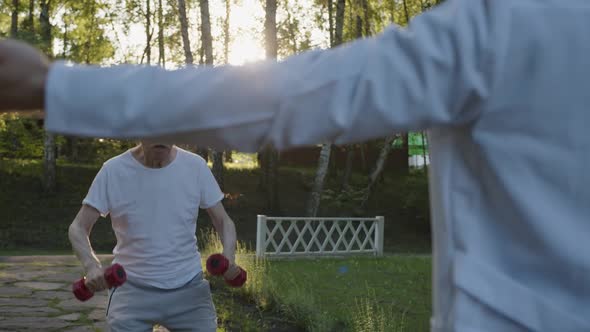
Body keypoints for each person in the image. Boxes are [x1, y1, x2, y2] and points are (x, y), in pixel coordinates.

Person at [1, 0, 589, 330]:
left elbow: (290, 99)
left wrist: (55, 87)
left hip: (188, 294)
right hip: (131, 297)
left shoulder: (510, 24)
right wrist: (94, 262)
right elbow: (81, 227)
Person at [68, 141, 240, 331]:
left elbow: (224, 221)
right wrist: (92, 266)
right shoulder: (113, 170)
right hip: (131, 290)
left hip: (189, 291)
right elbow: (78, 227)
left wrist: (229, 257)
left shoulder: (195, 166)